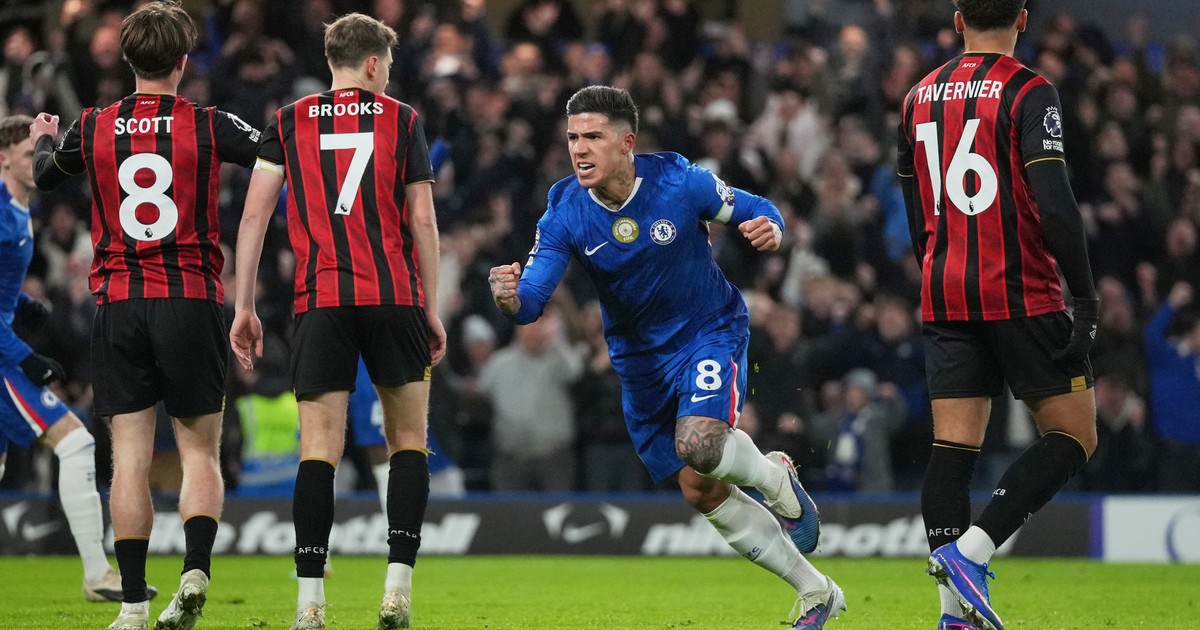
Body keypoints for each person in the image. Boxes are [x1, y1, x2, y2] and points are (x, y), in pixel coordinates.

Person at [488, 85, 843, 629]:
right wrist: (510, 298)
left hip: (707, 332)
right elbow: (532, 299)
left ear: (627, 143)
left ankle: (774, 478)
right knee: (700, 487)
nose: (579, 149)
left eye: (593, 137)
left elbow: (758, 207)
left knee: (699, 444)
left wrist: (771, 228)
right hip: (639, 364)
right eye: (573, 138)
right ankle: (816, 591)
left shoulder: (679, 180)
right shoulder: (564, 210)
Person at [29, 2, 261, 628]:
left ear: (128, 60)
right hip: (190, 298)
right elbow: (273, 152)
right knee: (200, 452)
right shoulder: (208, 123)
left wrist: (47, 132)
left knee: (128, 458)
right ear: (184, 61)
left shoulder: (93, 125)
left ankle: (133, 604)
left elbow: (45, 175)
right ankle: (195, 571)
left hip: (120, 302)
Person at [228, 13, 446, 630]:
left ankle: (309, 605)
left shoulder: (288, 120)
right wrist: (430, 306)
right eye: (388, 66)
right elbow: (423, 220)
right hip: (393, 295)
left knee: (318, 450)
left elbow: (253, 219)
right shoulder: (402, 119)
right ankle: (397, 592)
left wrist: (244, 306)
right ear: (373, 63)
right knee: (407, 442)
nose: (388, 75)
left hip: (321, 300)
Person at [897, 2, 1099, 629]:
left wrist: (937, 267)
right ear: (1023, 18)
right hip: (1018, 289)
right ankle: (974, 552)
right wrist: (1085, 298)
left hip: (944, 289)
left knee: (952, 448)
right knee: (1073, 435)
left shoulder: (917, 97)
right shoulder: (1029, 91)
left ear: (958, 20)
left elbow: (914, 205)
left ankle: (954, 616)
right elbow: (1056, 203)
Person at [0, 114, 158, 604]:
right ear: (3, 159)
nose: (35, 160)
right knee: (75, 443)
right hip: (3, 357)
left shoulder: (21, 212)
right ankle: (97, 574)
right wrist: (26, 356)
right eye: (26, 154)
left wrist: (23, 304)